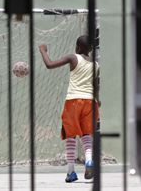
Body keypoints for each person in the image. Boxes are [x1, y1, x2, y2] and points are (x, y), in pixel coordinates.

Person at [38, 35, 100, 183]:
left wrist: (43, 50)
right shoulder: (96, 65)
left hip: (74, 101)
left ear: (78, 47)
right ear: (91, 49)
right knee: (87, 134)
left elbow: (50, 64)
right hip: (90, 102)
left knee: (70, 135)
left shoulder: (73, 58)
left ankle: (71, 172)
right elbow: (95, 86)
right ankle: (89, 160)